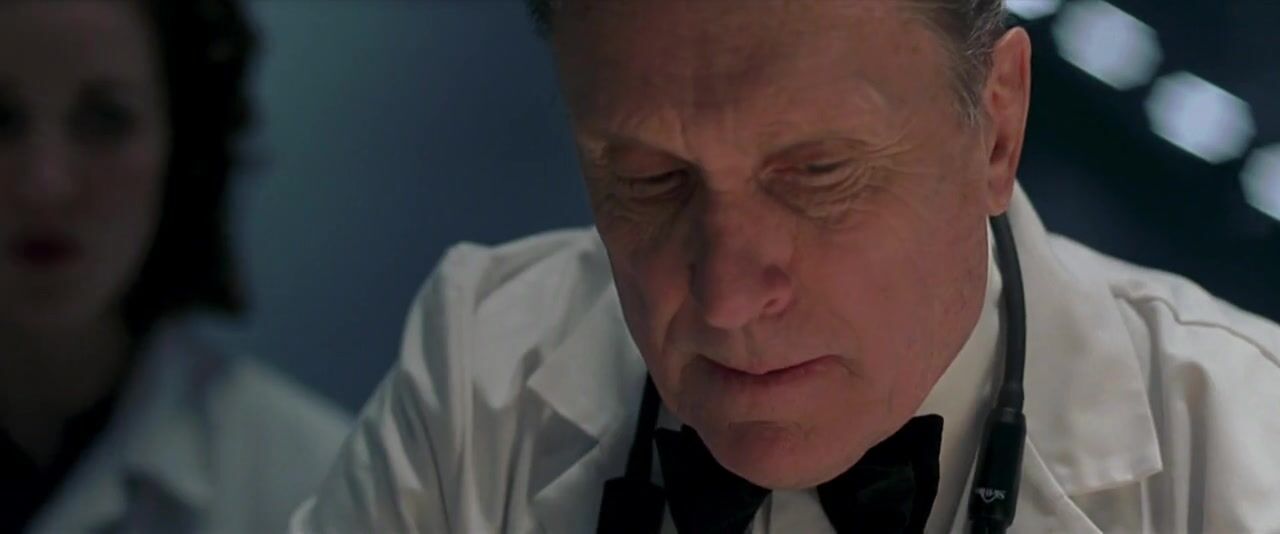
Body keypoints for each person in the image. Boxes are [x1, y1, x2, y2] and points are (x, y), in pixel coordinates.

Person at [293, 1, 1280, 532]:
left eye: (818, 174)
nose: (726, 298)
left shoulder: (1247, 445)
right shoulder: (480, 365)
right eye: (649, 178)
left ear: (996, 127)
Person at [0, 1, 351, 532]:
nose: (46, 185)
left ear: (184, 145)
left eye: (105, 120)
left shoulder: (318, 487)